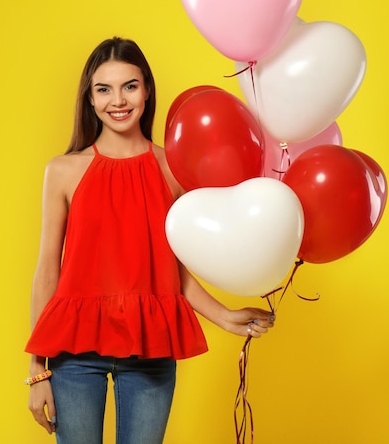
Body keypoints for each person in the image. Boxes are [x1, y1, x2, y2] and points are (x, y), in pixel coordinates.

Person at [25, 37, 275, 443]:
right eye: (103, 89)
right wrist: (38, 370)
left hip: (150, 348)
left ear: (146, 91)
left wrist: (225, 316)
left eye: (130, 86)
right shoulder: (63, 171)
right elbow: (47, 270)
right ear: (89, 99)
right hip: (74, 353)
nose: (117, 100)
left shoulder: (174, 168)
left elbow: (172, 268)